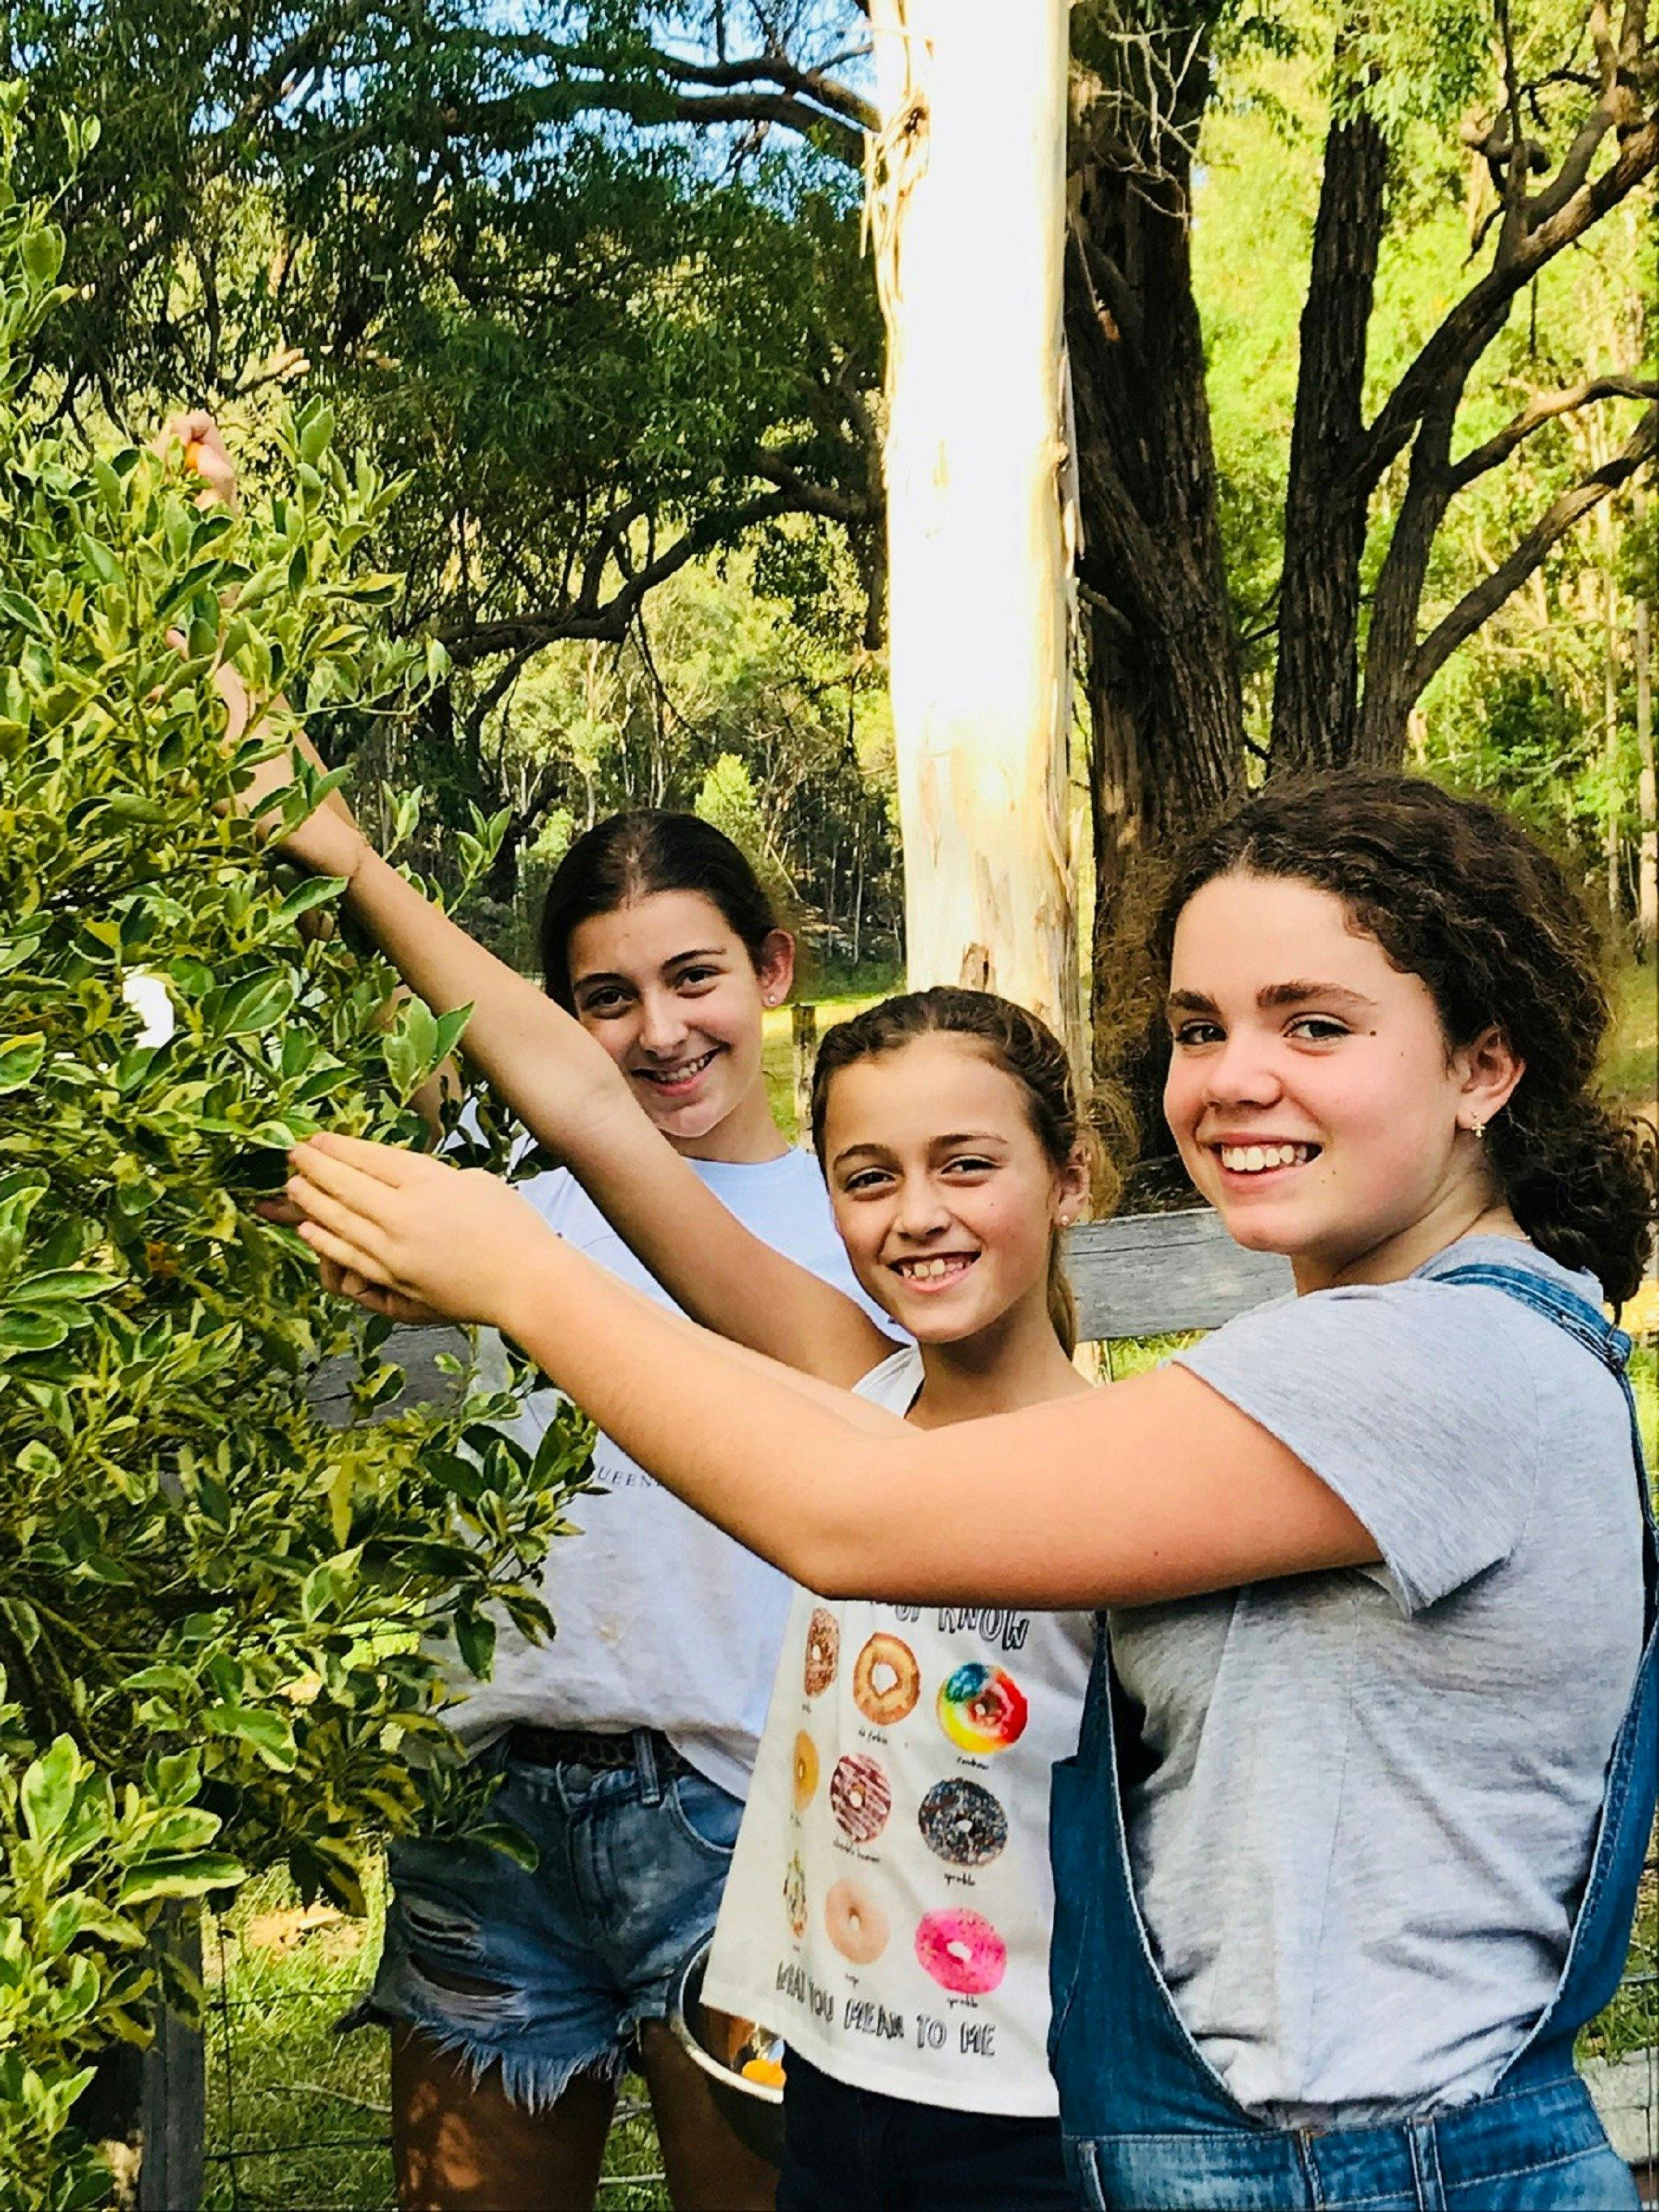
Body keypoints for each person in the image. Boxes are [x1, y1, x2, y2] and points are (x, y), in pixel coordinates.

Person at [279, 771, 1657, 2211]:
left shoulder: (1433, 1363)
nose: (1238, 1074)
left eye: (1316, 1023)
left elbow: (853, 1514)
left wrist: (520, 1275)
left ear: (1483, 1066)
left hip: (1368, 2173)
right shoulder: (1367, 1346)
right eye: (1201, 1027)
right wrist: (351, 855)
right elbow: (599, 1119)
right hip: (1219, 2149)